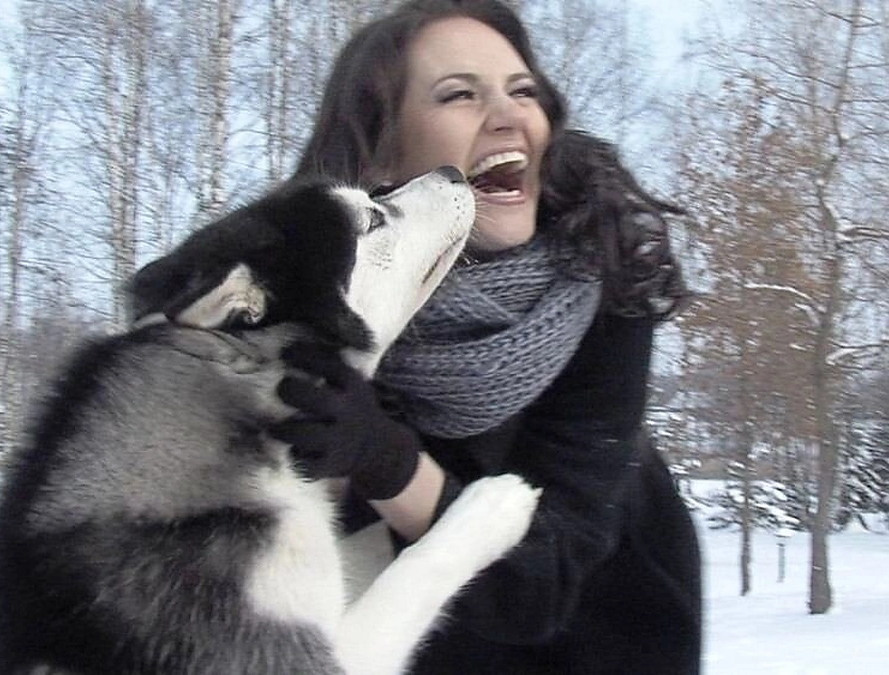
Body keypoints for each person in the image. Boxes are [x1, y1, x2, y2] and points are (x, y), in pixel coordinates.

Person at [270, 1, 702, 672]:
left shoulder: (601, 282)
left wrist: (387, 461)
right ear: (384, 153)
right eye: (459, 95)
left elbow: (538, 585)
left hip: (606, 622)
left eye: (522, 90)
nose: (507, 115)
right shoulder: (326, 308)